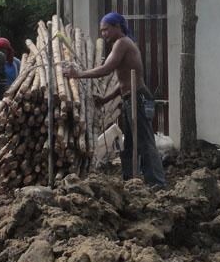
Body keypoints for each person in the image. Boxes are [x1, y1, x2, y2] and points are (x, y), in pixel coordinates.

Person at [63, 12, 165, 188]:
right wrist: (105, 99)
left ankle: (157, 183)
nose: (103, 34)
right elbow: (124, 83)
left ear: (117, 27)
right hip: (130, 97)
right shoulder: (123, 44)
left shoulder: (122, 43)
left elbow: (106, 69)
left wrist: (77, 75)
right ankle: (130, 181)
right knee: (129, 143)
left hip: (138, 98)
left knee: (145, 141)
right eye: (102, 31)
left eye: (106, 30)